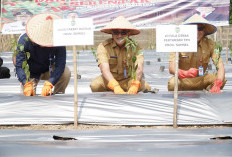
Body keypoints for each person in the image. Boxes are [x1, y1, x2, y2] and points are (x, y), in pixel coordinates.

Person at [90, 15, 150, 94]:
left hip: (129, 80)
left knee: (146, 87)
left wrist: (135, 84)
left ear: (128, 34)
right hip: (110, 80)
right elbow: (104, 69)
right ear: (112, 33)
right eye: (116, 32)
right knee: (95, 85)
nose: (119, 35)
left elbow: (139, 68)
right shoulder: (103, 47)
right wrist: (115, 86)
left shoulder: (136, 47)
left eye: (123, 32)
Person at [15, 13, 71, 96]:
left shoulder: (59, 39)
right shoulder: (24, 40)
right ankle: (28, 87)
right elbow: (20, 65)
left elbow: (60, 64)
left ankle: (58, 95)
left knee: (66, 73)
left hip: (48, 69)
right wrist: (25, 82)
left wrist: (51, 82)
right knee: (28, 96)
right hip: (31, 71)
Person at [168, 14, 226, 93]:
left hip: (201, 80)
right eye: (193, 28)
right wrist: (186, 73)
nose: (197, 32)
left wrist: (218, 83)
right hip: (184, 80)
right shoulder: (178, 42)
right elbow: (171, 68)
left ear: (204, 31)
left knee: (221, 79)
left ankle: (210, 89)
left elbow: (220, 66)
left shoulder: (210, 44)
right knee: (172, 83)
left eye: (200, 29)